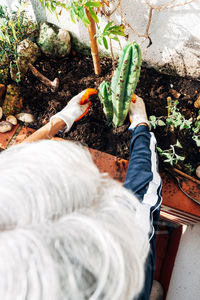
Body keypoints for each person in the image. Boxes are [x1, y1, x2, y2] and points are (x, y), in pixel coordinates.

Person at [0, 90, 162, 300]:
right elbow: (144, 187)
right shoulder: (130, 247)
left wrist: (59, 121)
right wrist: (141, 126)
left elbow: (13, 172)